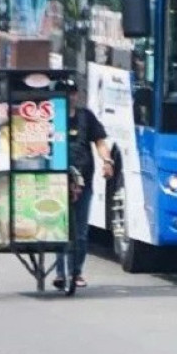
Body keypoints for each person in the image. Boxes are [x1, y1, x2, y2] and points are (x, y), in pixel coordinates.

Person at [54, 78, 114, 288]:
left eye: (71, 92)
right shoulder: (50, 116)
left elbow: (100, 142)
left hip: (83, 180)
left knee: (80, 231)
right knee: (58, 227)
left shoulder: (85, 116)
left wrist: (107, 160)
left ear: (76, 95)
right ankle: (60, 272)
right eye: (63, 92)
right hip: (55, 181)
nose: (68, 96)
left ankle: (76, 272)